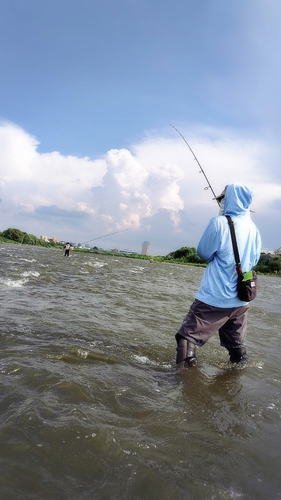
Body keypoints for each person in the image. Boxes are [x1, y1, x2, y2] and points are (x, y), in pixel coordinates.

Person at [175, 183, 262, 368]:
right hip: (241, 300)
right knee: (237, 348)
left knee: (186, 338)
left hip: (214, 297)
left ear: (230, 200)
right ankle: (235, 382)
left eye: (222, 199)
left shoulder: (218, 222)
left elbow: (204, 253)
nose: (220, 202)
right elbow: (254, 260)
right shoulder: (254, 229)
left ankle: (181, 383)